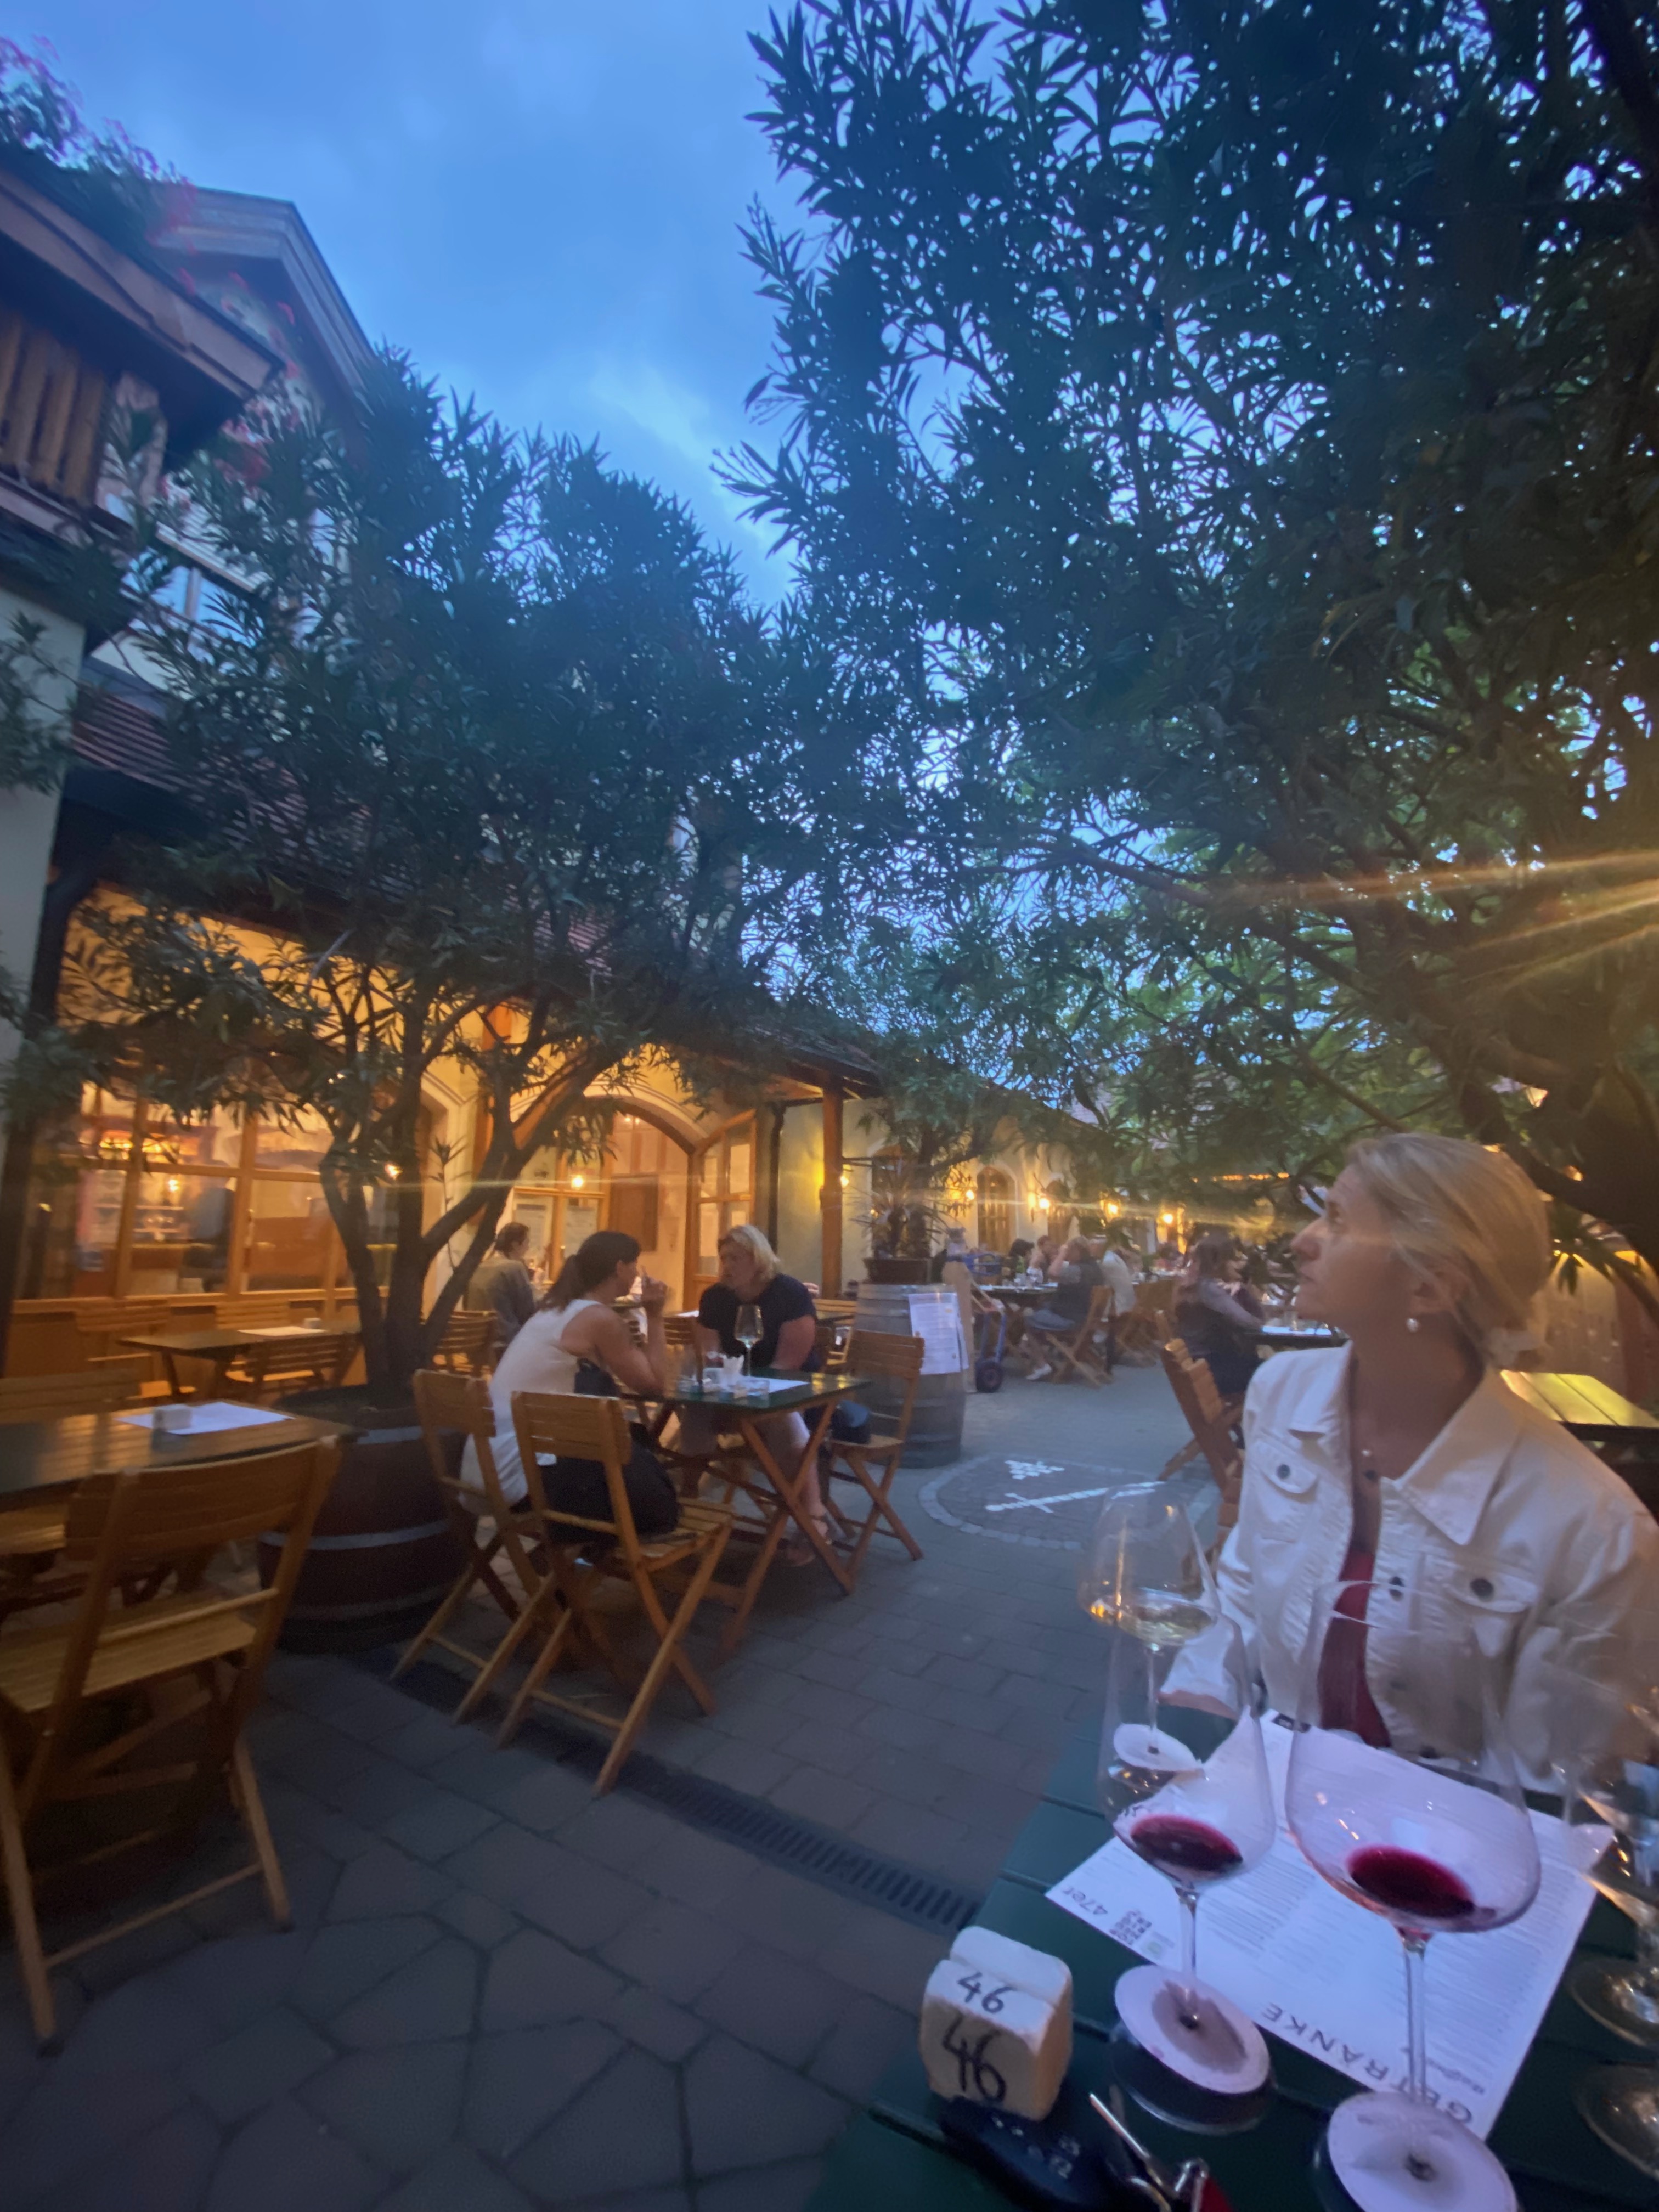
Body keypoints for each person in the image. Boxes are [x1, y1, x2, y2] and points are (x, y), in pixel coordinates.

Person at [1215, 1132, 1659, 1785]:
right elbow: (1243, 1584)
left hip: (1453, 1838)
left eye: (1338, 1220)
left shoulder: (1597, 1533)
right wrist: (1200, 1708)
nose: (1302, 1241)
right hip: (1271, 1787)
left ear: (1430, 1288)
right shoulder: (1280, 1393)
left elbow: (1555, 1787)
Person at [462, 1228, 678, 1534]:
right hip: (522, 1480)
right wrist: (655, 1314)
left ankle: (580, 1553)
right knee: (661, 1506)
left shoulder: (553, 1309)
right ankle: (591, 1551)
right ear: (620, 1267)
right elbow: (654, 1385)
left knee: (630, 1464)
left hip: (484, 1472)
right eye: (635, 1264)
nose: (637, 1273)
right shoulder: (599, 1318)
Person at [679, 1224, 830, 1559]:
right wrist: (726, 1381)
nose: (727, 1266)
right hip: (737, 1393)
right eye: (723, 1258)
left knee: (782, 1419)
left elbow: (787, 1365)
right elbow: (711, 1355)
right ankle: (687, 1499)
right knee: (696, 1412)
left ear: (758, 1259)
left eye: (736, 1258)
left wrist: (748, 1395)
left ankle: (814, 1515)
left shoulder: (789, 1293)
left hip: (794, 1390)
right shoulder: (716, 1297)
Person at [1172, 1233, 1265, 1398]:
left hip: (1203, 1367)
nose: (1240, 1264)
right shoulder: (1211, 1289)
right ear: (1222, 1262)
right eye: (1235, 1259)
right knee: (1281, 1372)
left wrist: (1240, 1289)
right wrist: (1242, 1292)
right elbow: (1255, 1324)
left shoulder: (1198, 1285)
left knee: (1276, 1368)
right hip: (1215, 1370)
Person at [1023, 1237, 1105, 1381]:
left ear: (1077, 1251)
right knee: (1040, 1310)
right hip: (1084, 1317)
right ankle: (1043, 1353)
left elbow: (1053, 1273)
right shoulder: (1095, 1268)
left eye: (1069, 1251)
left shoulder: (1077, 1270)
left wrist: (1061, 1254)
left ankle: (1042, 1364)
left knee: (1028, 1319)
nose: (1067, 1254)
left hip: (1071, 1319)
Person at [466, 1221, 538, 1352]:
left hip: (475, 1345)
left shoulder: (480, 1266)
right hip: (505, 1344)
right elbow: (528, 1311)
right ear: (515, 1245)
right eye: (527, 1242)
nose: (528, 1247)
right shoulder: (513, 1267)